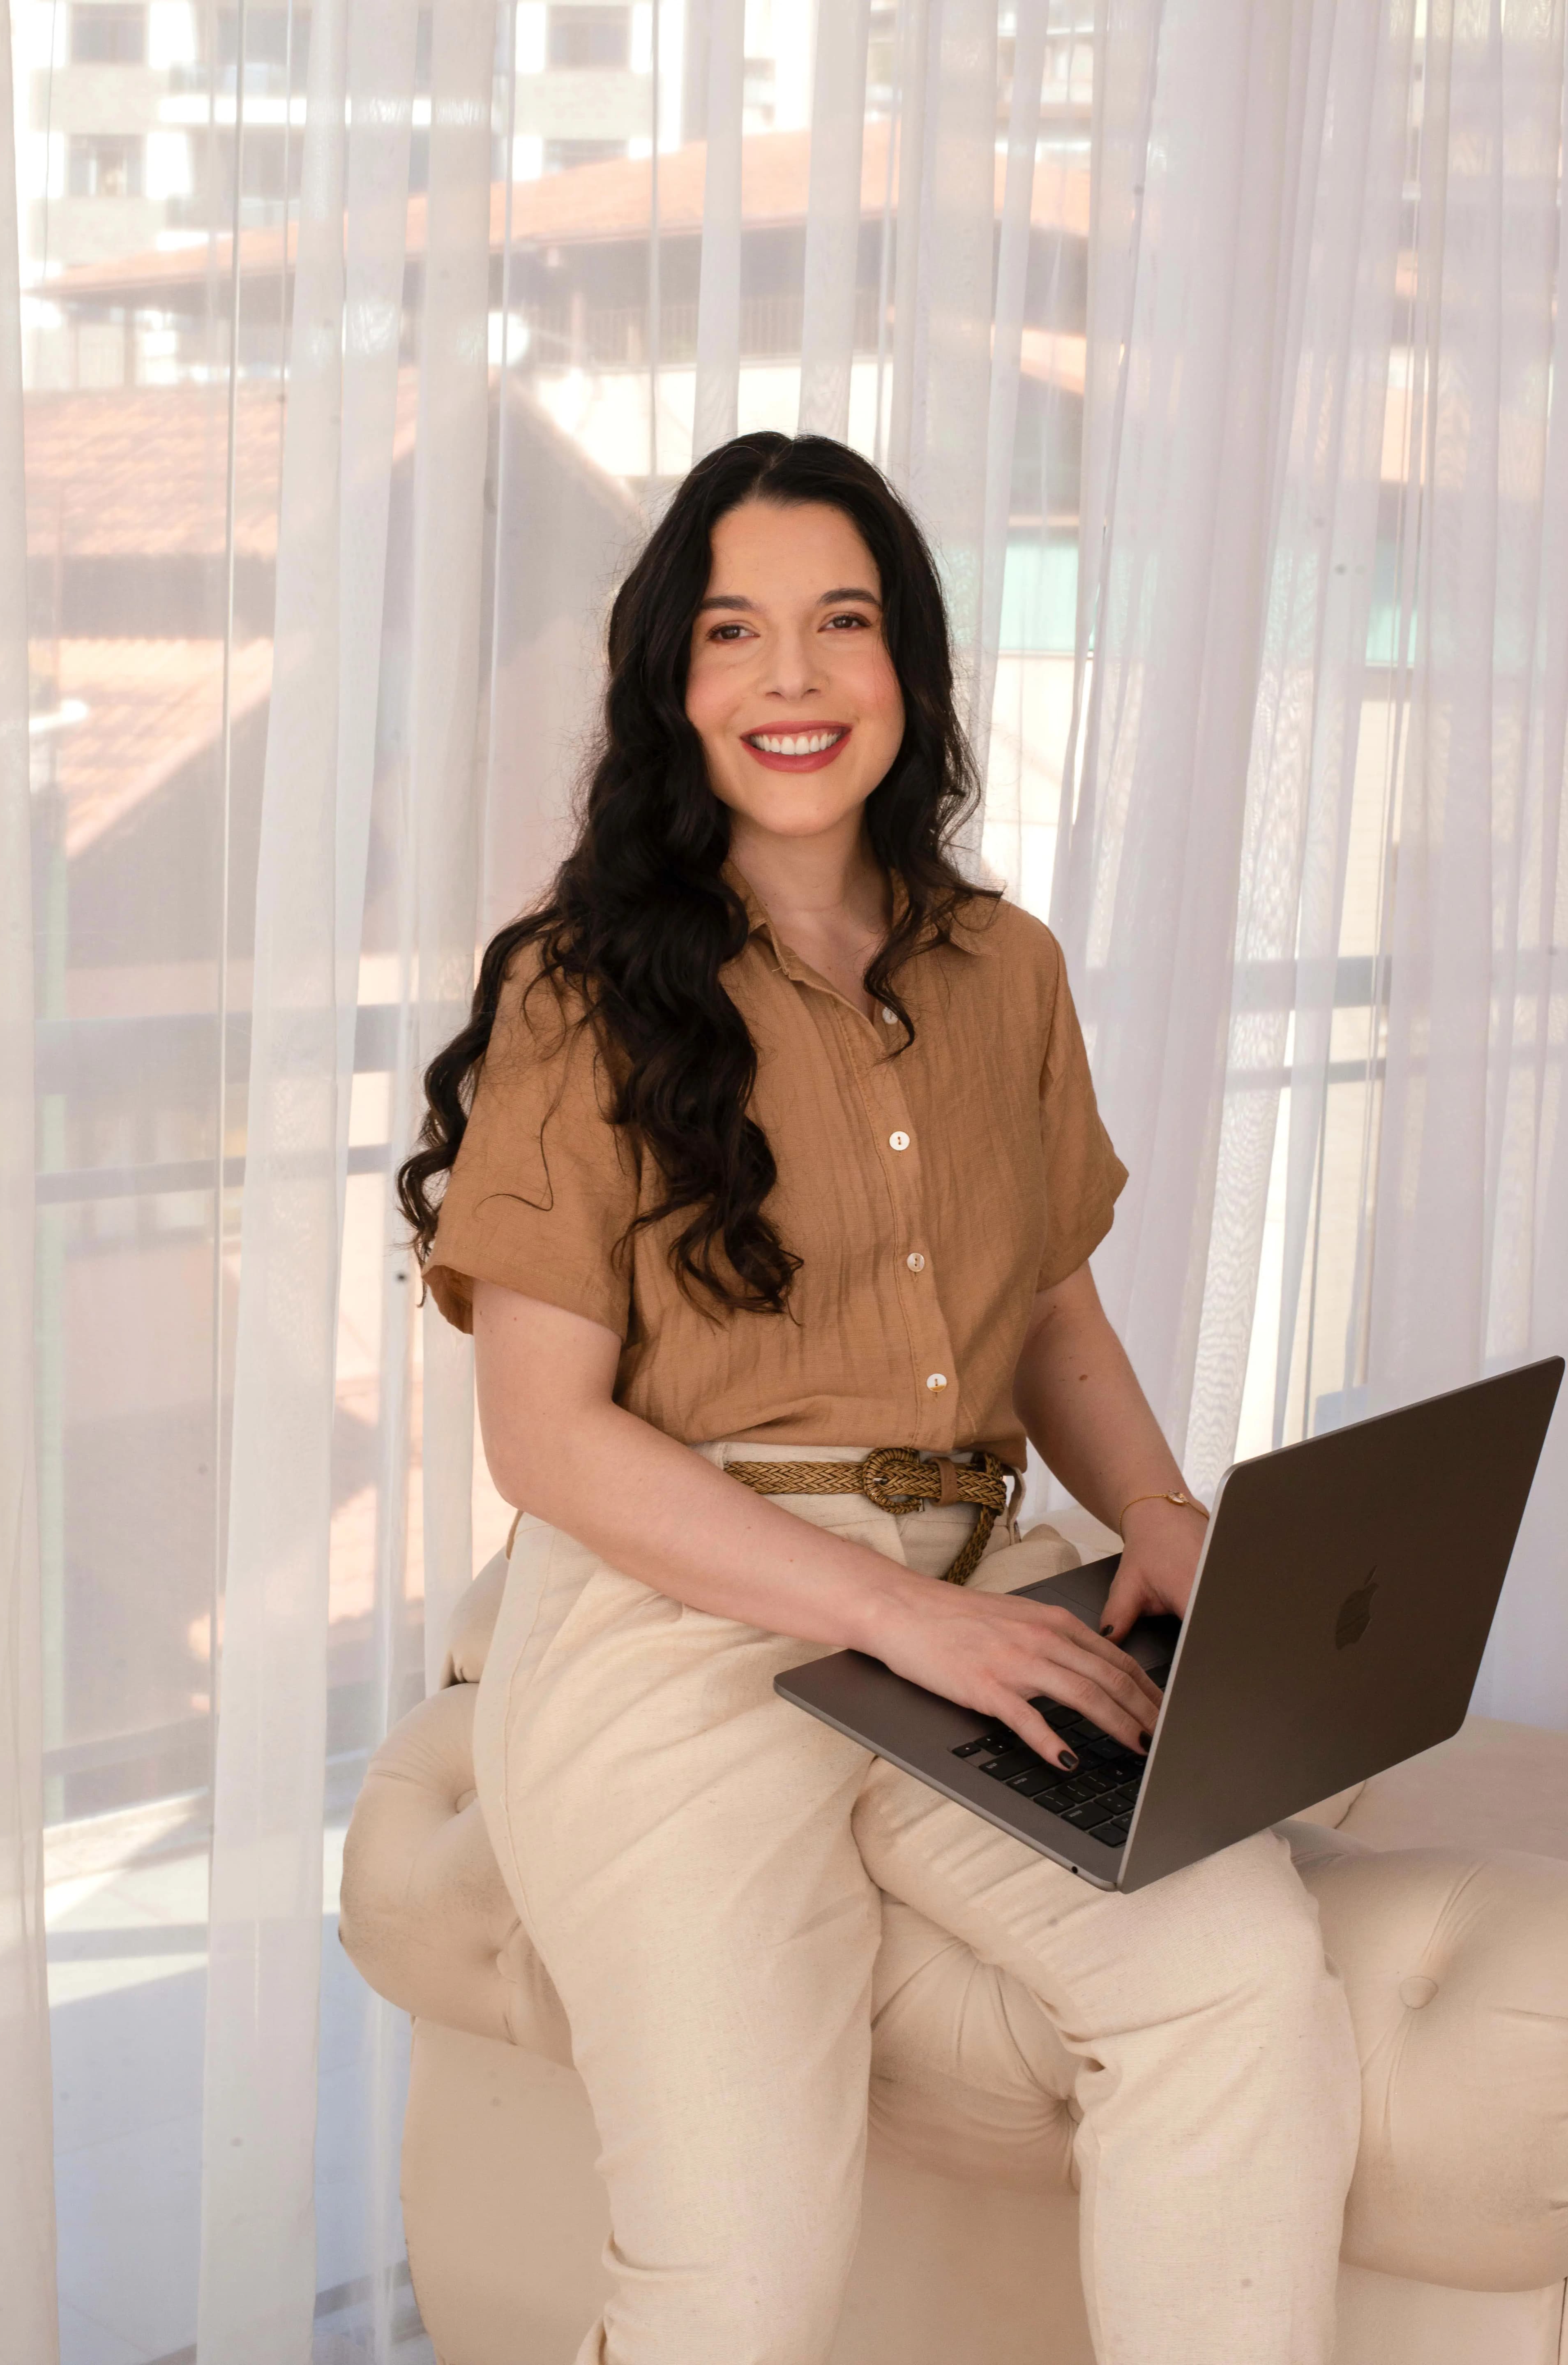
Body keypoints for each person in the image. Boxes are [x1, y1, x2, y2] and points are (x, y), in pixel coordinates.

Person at [398, 431, 1360, 2365]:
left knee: (1239, 1976)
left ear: (907, 668)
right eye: (737, 631)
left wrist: (1164, 1516)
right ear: (675, 682)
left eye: (843, 624)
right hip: (684, 1623)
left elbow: (1048, 1308)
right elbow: (545, 1434)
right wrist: (898, 1609)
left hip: (986, 1590)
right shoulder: (585, 995)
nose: (793, 676)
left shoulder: (1006, 968)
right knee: (736, 2274)